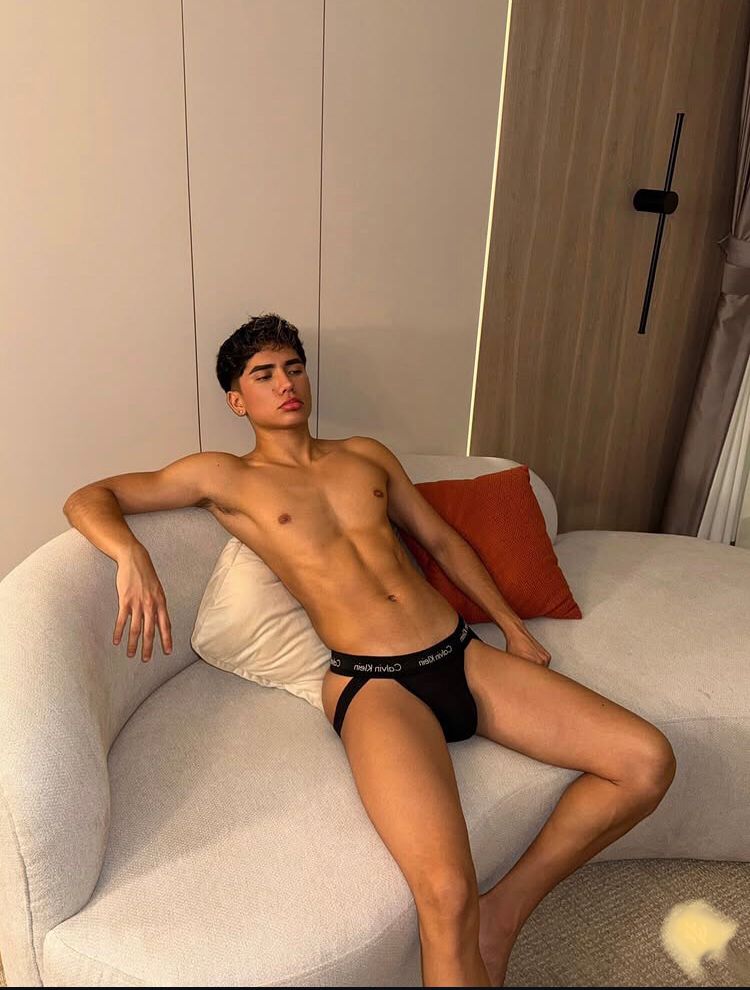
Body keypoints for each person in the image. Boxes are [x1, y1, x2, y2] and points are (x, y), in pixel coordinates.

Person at [63, 312, 676, 987]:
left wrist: (513, 626)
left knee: (646, 762)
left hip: (461, 654)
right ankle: (475, 923)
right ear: (237, 401)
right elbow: (92, 497)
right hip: (375, 685)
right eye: (264, 375)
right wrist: (129, 553)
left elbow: (440, 540)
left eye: (293, 368)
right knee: (445, 894)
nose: (285, 383)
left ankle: (504, 913)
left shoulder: (366, 455)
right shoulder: (224, 477)